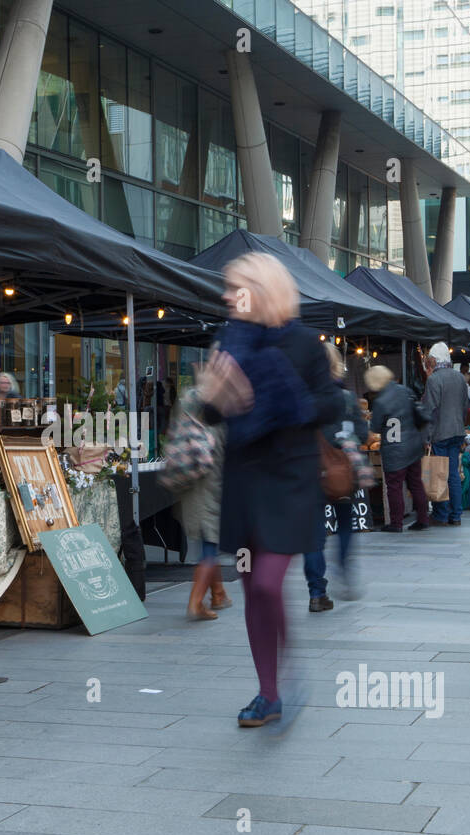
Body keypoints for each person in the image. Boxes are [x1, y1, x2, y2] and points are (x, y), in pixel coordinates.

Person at [195, 252, 340, 728]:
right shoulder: (231, 339)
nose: (227, 295)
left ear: (264, 289)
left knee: (265, 582)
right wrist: (213, 396)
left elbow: (329, 404)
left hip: (291, 482)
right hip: (245, 478)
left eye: (236, 287)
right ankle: (269, 693)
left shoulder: (303, 343)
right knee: (253, 591)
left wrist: (281, 399)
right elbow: (213, 413)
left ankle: (286, 672)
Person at [305, 343, 368, 611]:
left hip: (309, 471)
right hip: (342, 471)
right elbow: (363, 434)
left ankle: (317, 593)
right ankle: (343, 567)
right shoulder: (346, 398)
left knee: (312, 534)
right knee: (344, 524)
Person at [171, 381, 230, 620]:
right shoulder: (218, 423)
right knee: (209, 547)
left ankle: (218, 594)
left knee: (207, 543)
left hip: (190, 490)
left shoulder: (186, 416)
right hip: (211, 491)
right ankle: (196, 601)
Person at [368, 364, 430, 532]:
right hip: (413, 445)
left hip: (394, 449)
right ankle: (423, 519)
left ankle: (396, 523)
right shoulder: (405, 391)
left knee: (394, 487)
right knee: (416, 484)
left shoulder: (380, 401)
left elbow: (375, 428)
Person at [420, 342, 470, 526]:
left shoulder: (434, 379)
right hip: (457, 430)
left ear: (433, 360)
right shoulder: (459, 378)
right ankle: (456, 515)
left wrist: (426, 437)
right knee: (453, 474)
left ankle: (441, 514)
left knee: (439, 473)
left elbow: (430, 410)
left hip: (440, 433)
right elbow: (465, 406)